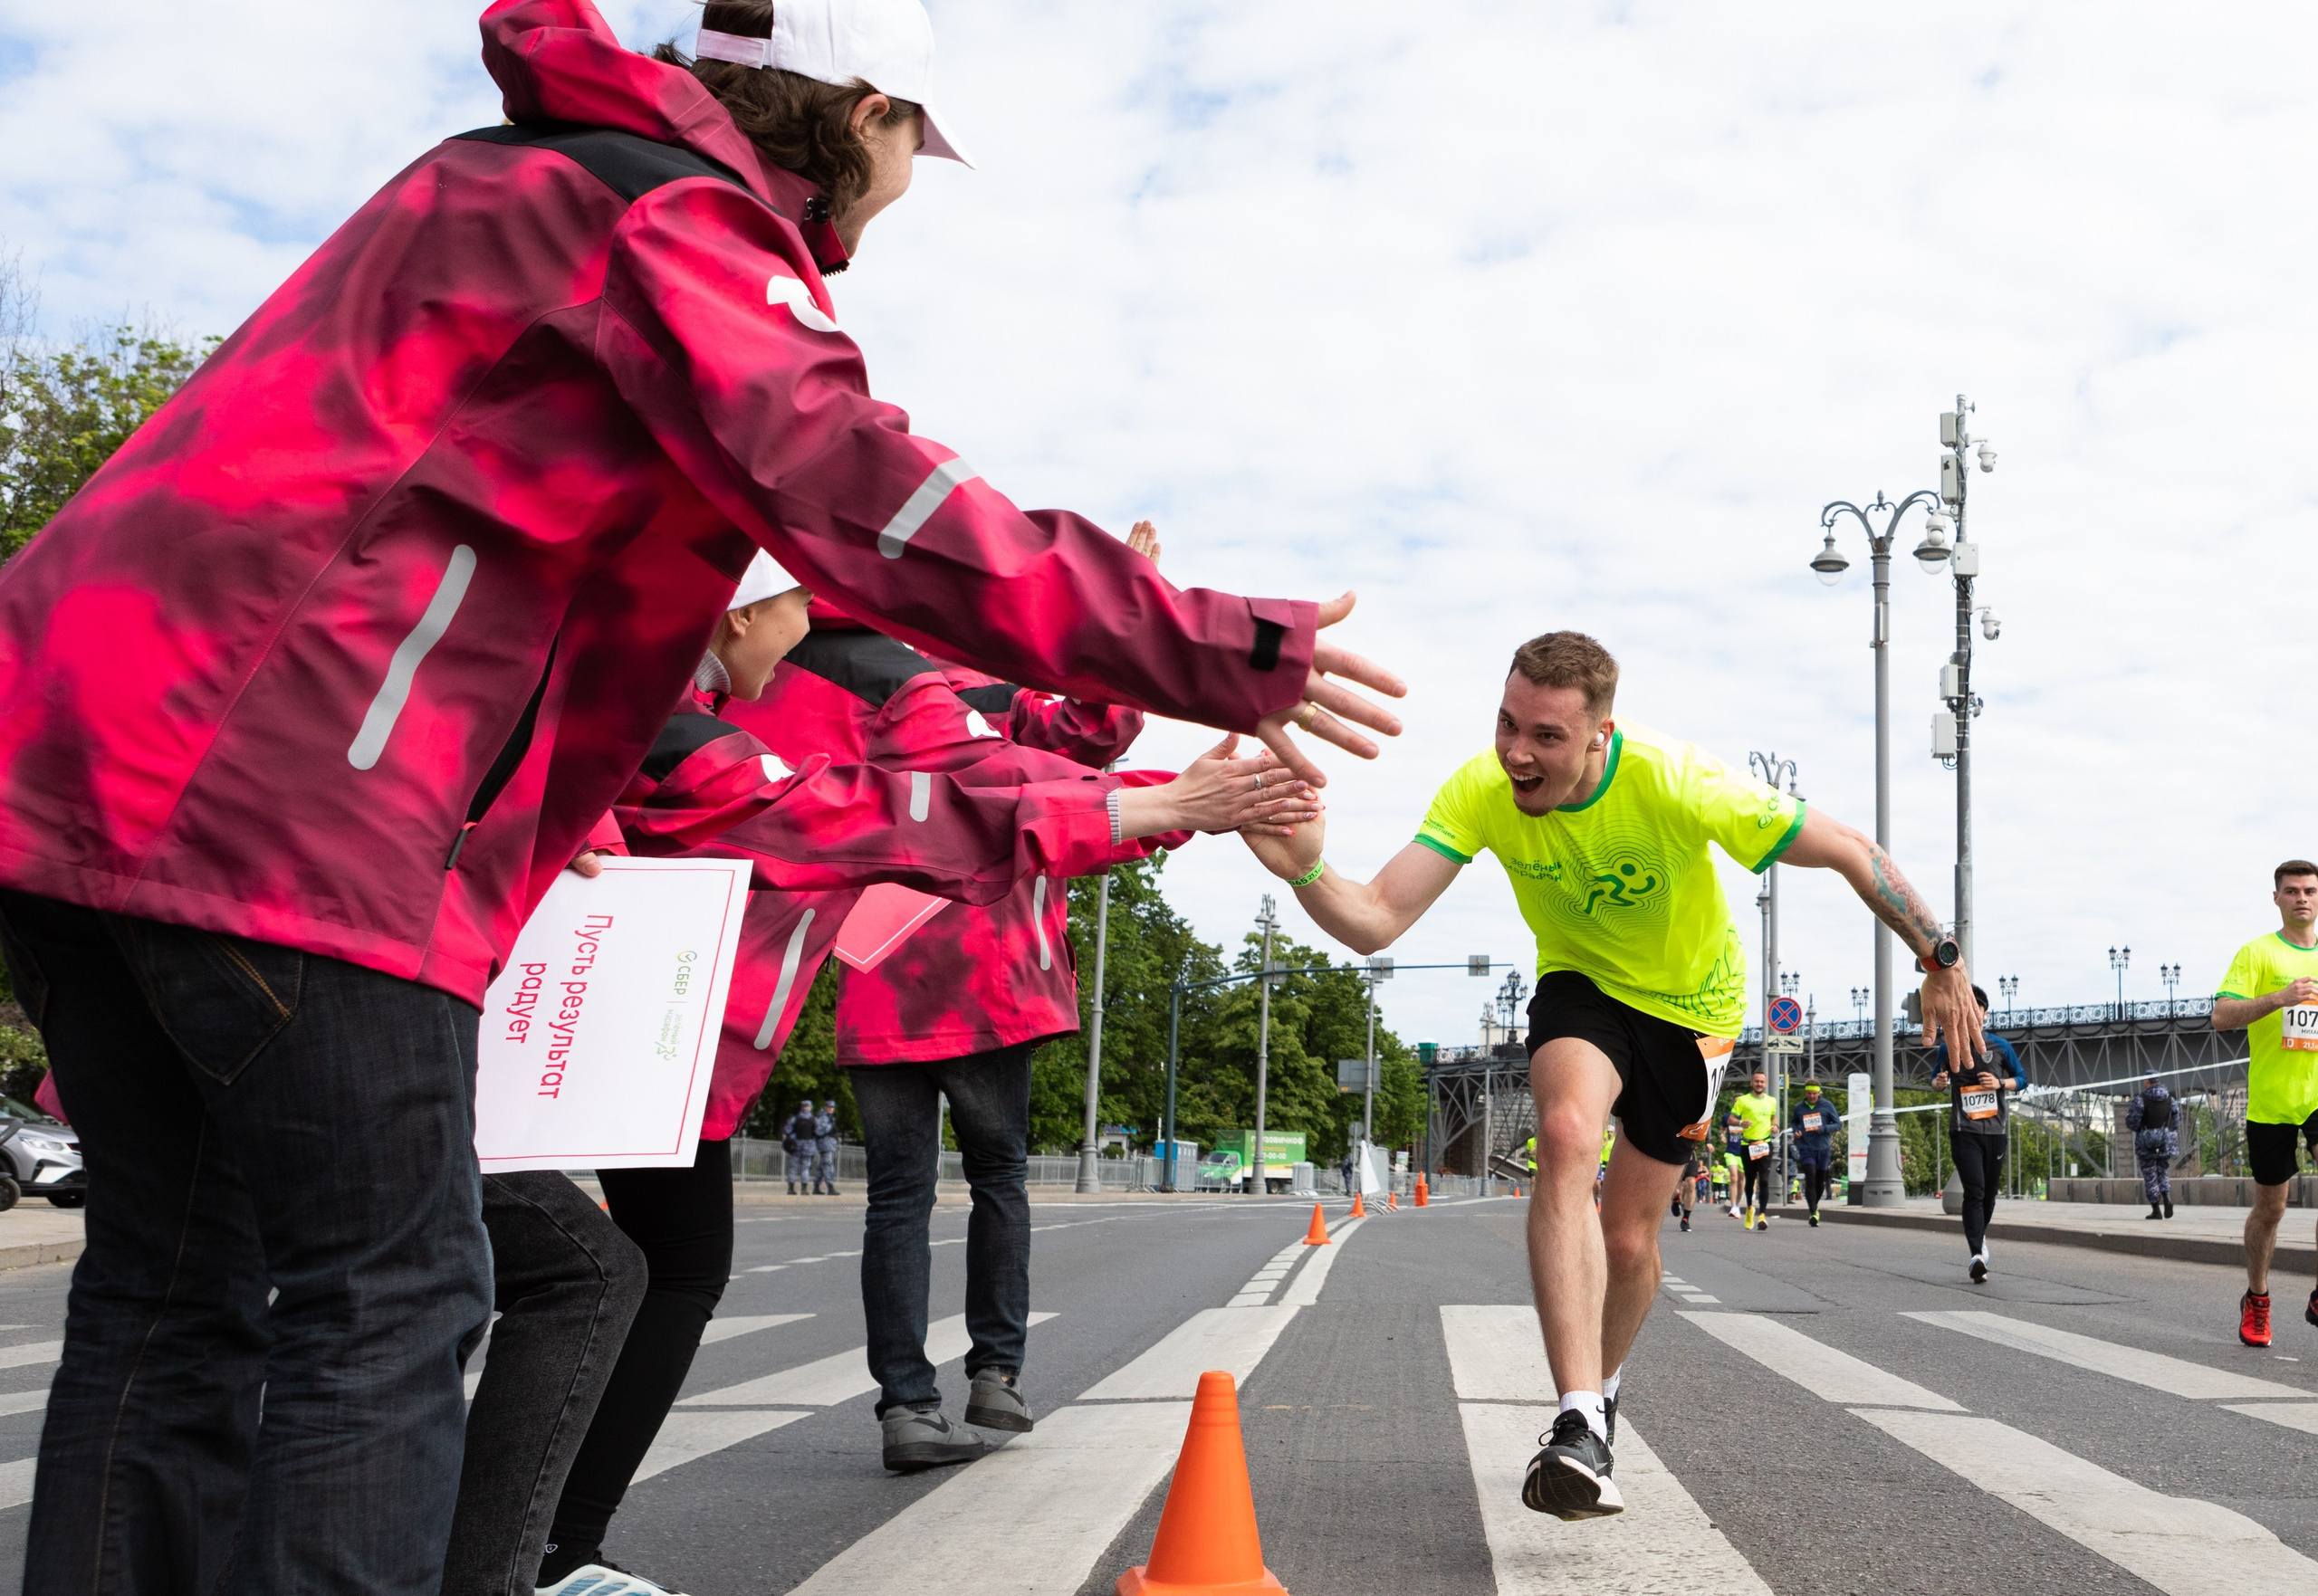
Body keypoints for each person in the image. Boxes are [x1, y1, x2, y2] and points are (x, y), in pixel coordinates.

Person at [0, 0, 1404, 1585]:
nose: (903, 193)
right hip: (297, 797)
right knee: (387, 1294)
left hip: (69, 755)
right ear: (865, 116)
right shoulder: (675, 215)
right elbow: (856, 481)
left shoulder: (489, 171)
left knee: (175, 1290)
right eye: (912, 150)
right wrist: (1207, 642)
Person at [531, 559, 1312, 1591]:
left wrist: (1164, 789)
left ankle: (553, 1535)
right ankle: (535, 1548)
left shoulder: (692, 668)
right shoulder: (872, 671)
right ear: (748, 608)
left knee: (806, 1223)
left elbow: (1015, 759)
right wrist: (1160, 792)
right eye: (797, 602)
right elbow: (964, 784)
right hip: (723, 1008)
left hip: (742, 1009)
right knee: (596, 1270)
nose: (810, 612)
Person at [1239, 630, 1980, 1519]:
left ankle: (1604, 1386)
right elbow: (1374, 918)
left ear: (1600, 734)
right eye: (1507, 723)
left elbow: (1850, 848)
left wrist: (1939, 957)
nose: (1517, 753)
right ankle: (1578, 1417)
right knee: (1563, 1135)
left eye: (1545, 736)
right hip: (1580, 987)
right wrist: (1306, 868)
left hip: (1694, 1013)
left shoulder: (1678, 780)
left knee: (1628, 1242)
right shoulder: (1482, 788)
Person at [724, 603, 1156, 1467]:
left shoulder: (842, 675)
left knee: (897, 1199)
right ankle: (996, 1372)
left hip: (878, 977)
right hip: (986, 973)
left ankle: (906, 1406)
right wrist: (1114, 623)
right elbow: (1095, 733)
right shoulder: (988, 697)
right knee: (999, 1178)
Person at [2212, 859, 2318, 1346]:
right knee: (2271, 1209)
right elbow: (2222, 1017)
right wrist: (2279, 998)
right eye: (2292, 890)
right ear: (2276, 898)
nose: (2302, 898)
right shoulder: (2257, 953)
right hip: (2272, 1101)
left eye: (2310, 890)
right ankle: (2257, 1299)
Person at [1929, 985, 2026, 1284]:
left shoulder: (2000, 1047)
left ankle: (1980, 1244)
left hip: (1996, 1131)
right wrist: (1939, 1082)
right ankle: (1976, 1255)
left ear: (1984, 1014)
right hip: (1964, 1130)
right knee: (1975, 1190)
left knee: (1989, 1195)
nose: (1971, 1013)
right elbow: (1936, 1080)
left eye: (1976, 1009)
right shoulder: (1947, 1047)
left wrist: (2000, 1083)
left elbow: (2022, 1079)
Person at [1730, 1071, 1778, 1230]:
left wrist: (1775, 1125)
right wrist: (1740, 1123)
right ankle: (1750, 1208)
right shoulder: (1743, 1100)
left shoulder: (1771, 1101)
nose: (1759, 1084)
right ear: (1751, 1083)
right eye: (1757, 1081)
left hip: (1765, 1144)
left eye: (1762, 1082)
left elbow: (1773, 1116)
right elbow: (1731, 1119)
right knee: (1750, 1180)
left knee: (1764, 1179)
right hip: (1748, 1145)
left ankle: (1762, 1215)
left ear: (1765, 1084)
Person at [2128, 1074, 2179, 1220]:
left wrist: (2144, 1129)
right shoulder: (2171, 1099)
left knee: (2150, 1175)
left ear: (2147, 1082)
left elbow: (2132, 1123)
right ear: (2159, 1081)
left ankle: (2156, 1210)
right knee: (2162, 1172)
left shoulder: (2140, 1100)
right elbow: (2176, 1122)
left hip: (2146, 1143)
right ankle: (2167, 1198)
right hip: (2165, 1142)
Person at [1789, 1082, 1838, 1226]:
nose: (1811, 1096)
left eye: (1814, 1093)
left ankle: (1814, 1205)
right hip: (1806, 1147)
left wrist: (1823, 1128)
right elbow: (1794, 1122)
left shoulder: (1827, 1106)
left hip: (1823, 1148)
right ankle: (1812, 1212)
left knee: (1820, 1180)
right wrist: (1796, 1131)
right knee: (1810, 1177)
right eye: (1809, 1093)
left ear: (1819, 1093)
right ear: (1805, 1093)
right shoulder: (1799, 1107)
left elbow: (1838, 1124)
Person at [783, 1099, 819, 1195]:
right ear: (810, 1107)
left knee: (793, 1167)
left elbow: (787, 1130)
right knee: (805, 1168)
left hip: (796, 1146)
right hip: (808, 1146)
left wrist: (793, 1137)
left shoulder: (795, 1118)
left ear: (802, 1107)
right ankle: (804, 1189)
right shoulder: (814, 1120)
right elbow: (818, 1133)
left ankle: (791, 1189)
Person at [815, 1100, 842, 1195]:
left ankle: (816, 1186)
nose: (831, 1109)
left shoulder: (829, 1117)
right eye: (829, 1107)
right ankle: (830, 1187)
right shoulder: (823, 1118)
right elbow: (819, 1131)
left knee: (822, 1166)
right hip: (825, 1144)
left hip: (829, 1144)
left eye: (832, 1107)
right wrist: (830, 1126)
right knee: (828, 1165)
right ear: (825, 1107)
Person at [1721, 1111, 1746, 1219]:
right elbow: (1722, 1128)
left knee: (1741, 1180)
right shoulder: (1728, 1117)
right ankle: (1733, 1206)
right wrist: (1722, 1135)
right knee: (1734, 1178)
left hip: (1744, 1153)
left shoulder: (1747, 1116)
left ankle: (1737, 1205)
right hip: (1730, 1152)